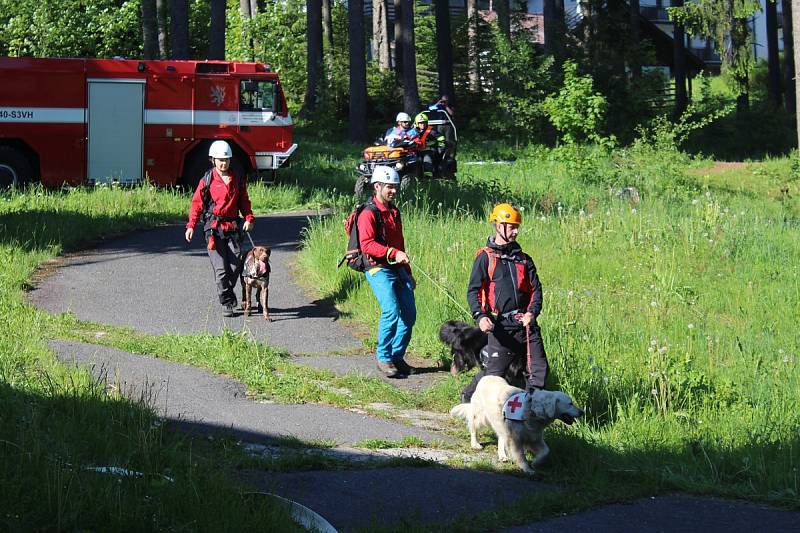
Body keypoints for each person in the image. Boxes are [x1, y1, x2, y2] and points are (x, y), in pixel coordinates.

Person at [461, 203, 549, 402]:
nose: (516, 231)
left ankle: (531, 411)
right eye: (512, 226)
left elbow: (536, 290)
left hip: (526, 326)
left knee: (538, 371)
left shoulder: (525, 260)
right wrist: (480, 316)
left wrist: (532, 313)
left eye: (517, 227)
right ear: (499, 225)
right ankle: (468, 398)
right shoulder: (485, 257)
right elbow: (473, 291)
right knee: (494, 374)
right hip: (501, 327)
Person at [358, 165, 417, 378]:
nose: (393, 190)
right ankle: (383, 357)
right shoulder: (368, 213)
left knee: (409, 314)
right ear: (377, 186)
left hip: (398, 267)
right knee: (391, 310)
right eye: (389, 187)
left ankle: (396, 355)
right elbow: (366, 245)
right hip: (377, 268)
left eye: (395, 187)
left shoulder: (394, 211)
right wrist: (393, 253)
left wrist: (408, 271)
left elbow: (400, 243)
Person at [185, 140, 255, 317]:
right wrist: (191, 225)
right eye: (220, 159)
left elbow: (244, 201)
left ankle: (227, 293)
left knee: (236, 263)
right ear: (213, 160)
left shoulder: (237, 178)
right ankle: (227, 303)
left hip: (232, 228)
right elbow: (196, 204)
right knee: (221, 270)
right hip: (213, 230)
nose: (224, 163)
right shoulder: (207, 180)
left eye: (227, 159)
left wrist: (248, 217)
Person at [409, 112, 446, 177]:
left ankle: (428, 178)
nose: (422, 124)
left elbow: (441, 138)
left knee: (427, 160)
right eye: (420, 123)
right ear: (417, 123)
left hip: (430, 151)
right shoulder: (413, 131)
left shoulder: (431, 131)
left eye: (424, 122)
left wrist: (441, 149)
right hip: (417, 152)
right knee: (413, 161)